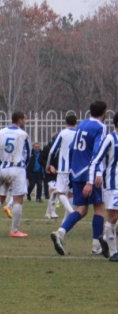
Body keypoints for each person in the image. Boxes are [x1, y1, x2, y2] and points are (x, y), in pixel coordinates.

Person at [51, 101, 110, 256]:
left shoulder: (82, 125)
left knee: (82, 209)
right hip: (90, 171)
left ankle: (60, 232)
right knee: (99, 207)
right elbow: (98, 151)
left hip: (77, 171)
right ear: (104, 112)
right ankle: (96, 245)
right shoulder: (101, 127)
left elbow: (71, 149)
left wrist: (72, 170)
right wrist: (96, 175)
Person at [0, 111, 31, 238]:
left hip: (2, 169)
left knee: (0, 197)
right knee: (18, 199)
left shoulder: (1, 132)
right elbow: (28, 154)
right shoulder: (23, 134)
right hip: (17, 168)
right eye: (24, 119)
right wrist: (24, 166)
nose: (25, 122)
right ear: (19, 120)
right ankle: (14, 230)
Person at [89, 116, 118, 261]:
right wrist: (94, 178)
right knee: (113, 217)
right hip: (112, 184)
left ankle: (106, 237)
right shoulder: (110, 139)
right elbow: (96, 160)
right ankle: (113, 253)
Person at [44, 112, 78, 220]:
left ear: (65, 122)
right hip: (76, 169)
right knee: (71, 195)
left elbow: (52, 151)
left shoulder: (63, 133)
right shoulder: (79, 133)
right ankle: (65, 221)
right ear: (76, 122)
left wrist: (48, 165)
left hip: (64, 168)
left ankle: (71, 211)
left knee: (60, 193)